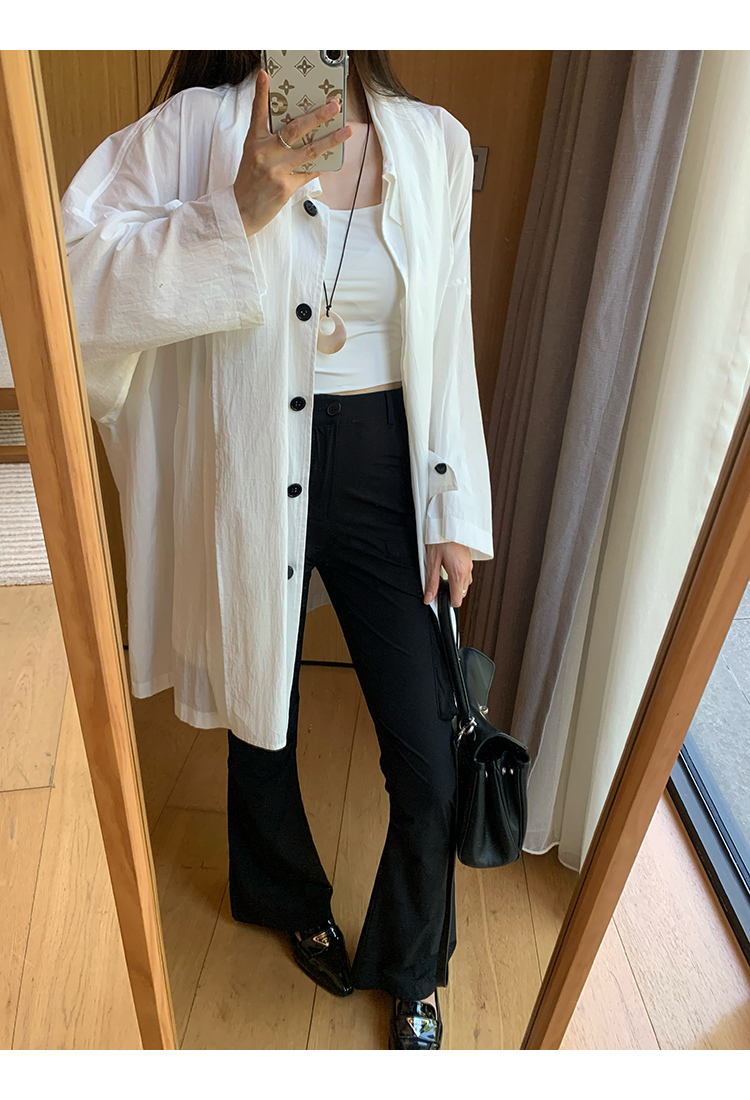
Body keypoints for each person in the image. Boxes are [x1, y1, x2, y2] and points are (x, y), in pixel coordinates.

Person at [61, 50, 494, 1051]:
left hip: (388, 464)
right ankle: (281, 893)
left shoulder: (434, 142)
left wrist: (453, 509)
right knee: (260, 707)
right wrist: (237, 209)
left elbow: (448, 332)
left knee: (430, 748)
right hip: (254, 455)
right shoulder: (197, 130)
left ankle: (413, 961)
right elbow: (68, 277)